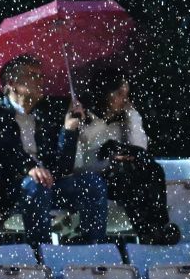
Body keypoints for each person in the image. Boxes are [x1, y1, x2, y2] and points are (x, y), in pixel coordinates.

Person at [0, 55, 108, 244]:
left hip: (46, 188)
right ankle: (41, 250)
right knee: (36, 184)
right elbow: (3, 153)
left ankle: (92, 248)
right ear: (12, 83)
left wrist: (69, 131)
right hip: (11, 189)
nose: (39, 80)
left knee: (92, 184)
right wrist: (28, 168)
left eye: (41, 76)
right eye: (31, 75)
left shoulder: (43, 118)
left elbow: (61, 168)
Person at [74, 67, 180, 245]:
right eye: (119, 94)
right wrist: (109, 160)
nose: (125, 100)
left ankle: (160, 225)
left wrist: (132, 116)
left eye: (127, 94)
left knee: (152, 169)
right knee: (127, 175)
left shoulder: (124, 119)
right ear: (105, 94)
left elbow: (140, 150)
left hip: (126, 176)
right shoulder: (85, 120)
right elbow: (78, 164)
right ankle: (147, 231)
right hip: (97, 179)